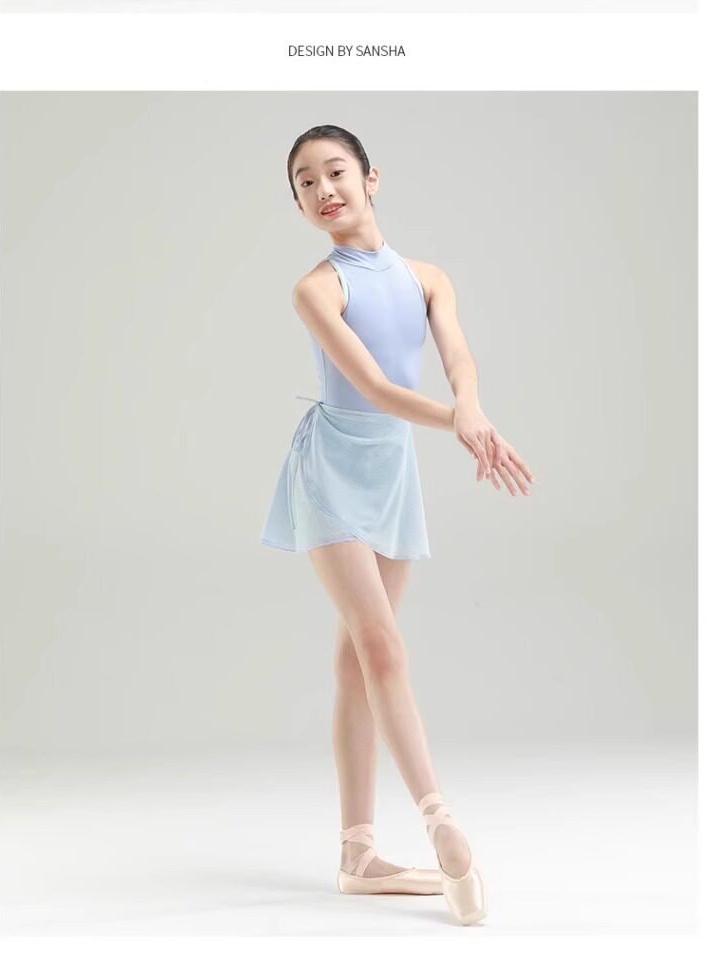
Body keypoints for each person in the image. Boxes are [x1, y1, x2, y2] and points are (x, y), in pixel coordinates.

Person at [260, 124, 535, 925]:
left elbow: (458, 360)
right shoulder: (316, 289)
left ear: (371, 177)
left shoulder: (427, 278)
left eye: (335, 172)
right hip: (330, 469)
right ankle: (440, 819)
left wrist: (470, 405)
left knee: (357, 661)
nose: (323, 190)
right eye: (305, 182)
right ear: (300, 203)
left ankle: (357, 855)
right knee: (382, 645)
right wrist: (459, 423)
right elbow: (377, 388)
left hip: (393, 472)